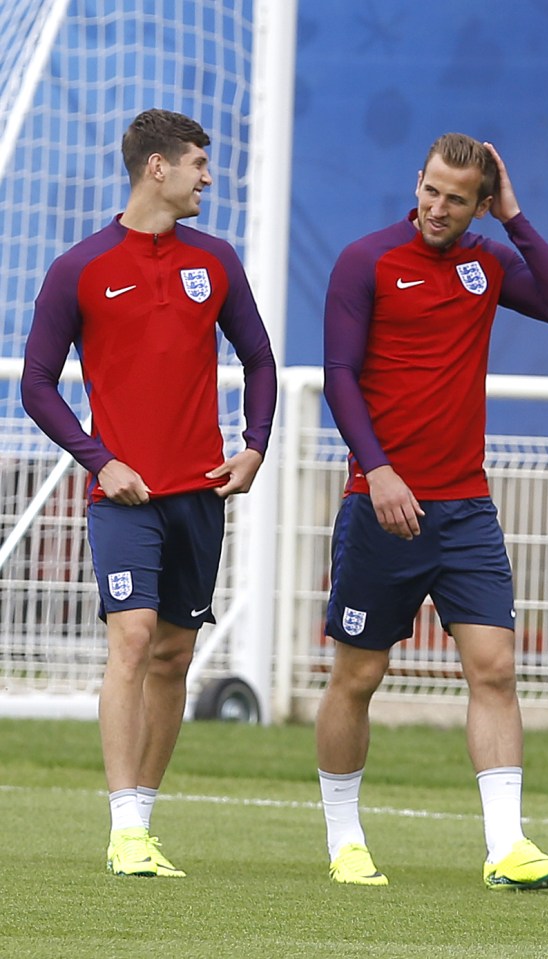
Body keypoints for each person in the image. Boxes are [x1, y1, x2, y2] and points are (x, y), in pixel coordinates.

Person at [317, 133, 548, 889]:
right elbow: (339, 375)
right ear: (418, 182)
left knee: (495, 669)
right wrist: (378, 472)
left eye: (456, 199)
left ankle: (506, 847)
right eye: (430, 190)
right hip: (380, 505)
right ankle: (344, 839)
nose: (436, 208)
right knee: (358, 677)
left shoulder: (488, 261)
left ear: (478, 206)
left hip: (466, 507)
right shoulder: (364, 260)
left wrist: (516, 217)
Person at [21, 108, 277, 878]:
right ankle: (124, 831)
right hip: (123, 499)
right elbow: (37, 384)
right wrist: (100, 461)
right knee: (131, 639)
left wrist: (255, 444)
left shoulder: (217, 260)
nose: (209, 176)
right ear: (156, 168)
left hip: (200, 493)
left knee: (173, 658)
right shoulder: (80, 267)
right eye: (199, 162)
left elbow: (260, 361)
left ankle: (145, 818)